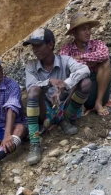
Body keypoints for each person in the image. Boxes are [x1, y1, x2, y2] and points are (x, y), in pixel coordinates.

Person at [24, 28, 91, 165]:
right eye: (33, 46)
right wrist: (48, 83)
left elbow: (85, 69)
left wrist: (64, 85)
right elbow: (30, 86)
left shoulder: (65, 60)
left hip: (64, 104)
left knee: (86, 83)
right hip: (45, 111)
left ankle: (65, 118)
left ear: (50, 45)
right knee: (33, 91)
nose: (35, 50)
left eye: (39, 45)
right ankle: (35, 143)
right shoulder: (31, 65)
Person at [59, 13, 111, 116]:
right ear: (74, 32)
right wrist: (91, 62)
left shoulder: (96, 44)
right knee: (76, 72)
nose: (88, 32)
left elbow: (104, 54)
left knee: (106, 62)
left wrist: (82, 57)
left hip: (98, 89)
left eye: (89, 29)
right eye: (83, 29)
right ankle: (78, 106)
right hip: (80, 89)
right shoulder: (67, 49)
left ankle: (98, 103)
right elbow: (63, 63)